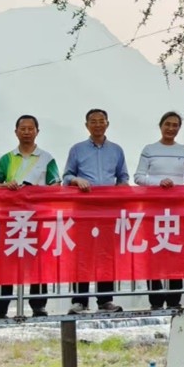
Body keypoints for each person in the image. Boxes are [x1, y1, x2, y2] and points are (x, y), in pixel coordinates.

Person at [0, 114, 60, 319]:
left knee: (38, 262)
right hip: (11, 219)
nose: (26, 132)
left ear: (37, 131)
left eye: (30, 128)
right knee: (5, 263)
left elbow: (55, 185)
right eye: (23, 128)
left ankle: (39, 306)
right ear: (16, 132)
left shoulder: (47, 158)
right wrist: (5, 186)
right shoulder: (6, 158)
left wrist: (37, 190)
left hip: (37, 218)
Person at [63, 108, 130, 314]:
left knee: (106, 255)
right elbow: (66, 177)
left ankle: (105, 300)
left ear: (107, 124)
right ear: (87, 125)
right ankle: (80, 301)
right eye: (93, 121)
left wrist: (120, 190)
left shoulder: (116, 150)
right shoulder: (77, 149)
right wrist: (77, 180)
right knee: (82, 254)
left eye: (101, 121)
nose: (98, 125)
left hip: (108, 211)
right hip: (83, 210)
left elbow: (123, 177)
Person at [134, 111, 184, 310]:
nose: (171, 128)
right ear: (160, 126)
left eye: (175, 125)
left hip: (177, 209)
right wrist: (158, 182)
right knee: (153, 253)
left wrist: (180, 189)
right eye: (167, 124)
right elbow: (138, 177)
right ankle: (155, 299)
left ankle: (174, 298)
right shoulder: (149, 149)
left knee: (176, 252)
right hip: (154, 209)